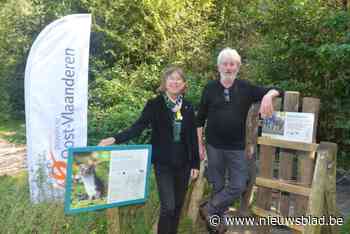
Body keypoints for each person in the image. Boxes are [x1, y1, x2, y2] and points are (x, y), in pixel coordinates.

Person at [98, 66, 200, 234]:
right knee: (168, 206)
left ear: (183, 84)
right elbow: (137, 127)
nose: (174, 82)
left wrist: (195, 164)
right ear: (165, 82)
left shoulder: (188, 107)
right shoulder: (155, 104)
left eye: (178, 79)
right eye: (171, 78)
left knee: (177, 207)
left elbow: (191, 138)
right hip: (163, 164)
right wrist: (114, 138)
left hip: (184, 165)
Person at [197, 48, 283, 233]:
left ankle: (210, 208)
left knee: (239, 184)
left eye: (233, 64)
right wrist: (200, 145)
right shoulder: (210, 88)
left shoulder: (246, 88)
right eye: (225, 64)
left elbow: (278, 90)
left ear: (238, 67)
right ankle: (216, 226)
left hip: (236, 147)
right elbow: (200, 119)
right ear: (219, 66)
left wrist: (268, 95)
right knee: (218, 185)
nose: (229, 67)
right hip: (213, 146)